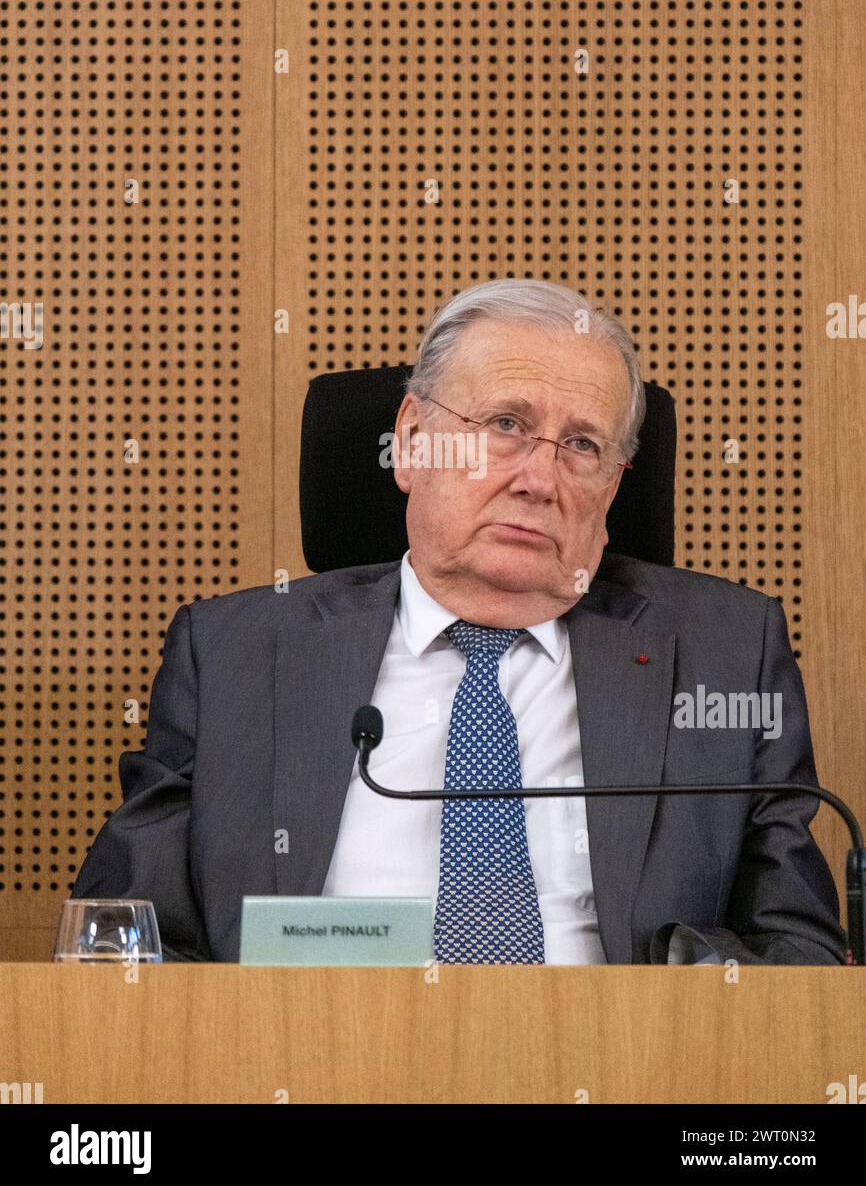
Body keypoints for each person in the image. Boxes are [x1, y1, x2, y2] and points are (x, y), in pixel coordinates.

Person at [71, 279, 847, 965]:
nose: (539, 478)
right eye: (505, 424)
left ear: (614, 485)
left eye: (582, 445)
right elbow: (126, 946)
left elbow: (799, 952)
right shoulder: (236, 654)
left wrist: (679, 981)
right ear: (411, 441)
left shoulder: (725, 654)